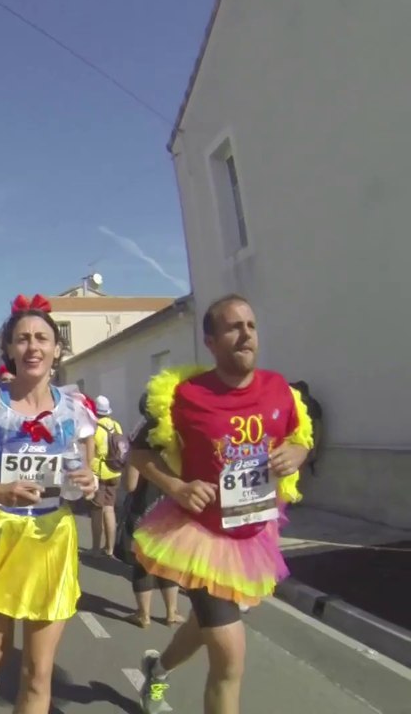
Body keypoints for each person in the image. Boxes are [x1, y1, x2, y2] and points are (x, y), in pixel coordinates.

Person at [132, 295, 313, 714]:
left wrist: (297, 454)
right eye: (233, 327)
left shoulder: (279, 389)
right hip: (199, 536)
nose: (246, 334)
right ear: (210, 341)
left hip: (252, 536)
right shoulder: (185, 396)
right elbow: (137, 454)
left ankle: (158, 668)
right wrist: (176, 486)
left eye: (250, 325)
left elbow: (301, 437)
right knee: (229, 655)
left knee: (204, 626)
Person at [0, 294, 98, 711]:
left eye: (42, 338)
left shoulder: (75, 409)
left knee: (38, 672)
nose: (33, 347)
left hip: (51, 540)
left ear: (56, 349)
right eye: (23, 339)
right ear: (8, 349)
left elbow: (84, 475)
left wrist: (87, 481)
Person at [120, 392, 182, 629]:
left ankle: (143, 615)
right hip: (173, 505)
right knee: (170, 560)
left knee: (143, 562)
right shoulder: (176, 431)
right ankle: (171, 613)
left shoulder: (141, 435)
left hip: (144, 507)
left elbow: (131, 484)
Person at [89, 394, 124, 556]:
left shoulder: (94, 427)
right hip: (115, 471)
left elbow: (91, 451)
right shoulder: (116, 425)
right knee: (109, 509)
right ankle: (109, 548)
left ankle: (96, 548)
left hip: (99, 472)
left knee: (96, 510)